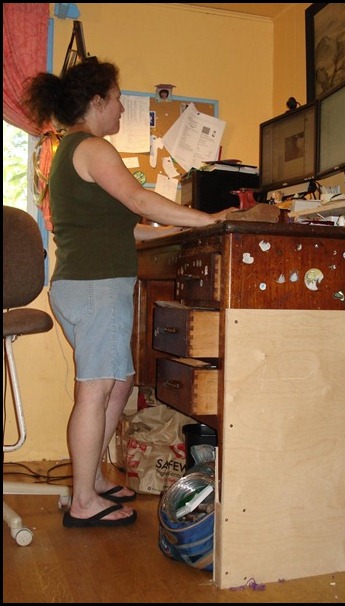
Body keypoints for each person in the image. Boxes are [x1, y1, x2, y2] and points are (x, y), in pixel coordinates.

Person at [23, 58, 236, 528]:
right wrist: (211, 219)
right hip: (95, 288)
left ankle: (93, 479)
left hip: (88, 285)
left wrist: (178, 229)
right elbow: (140, 200)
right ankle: (82, 501)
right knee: (96, 389)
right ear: (97, 101)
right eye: (117, 98)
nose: (121, 107)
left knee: (119, 382)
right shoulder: (93, 148)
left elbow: (127, 227)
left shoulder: (75, 150)